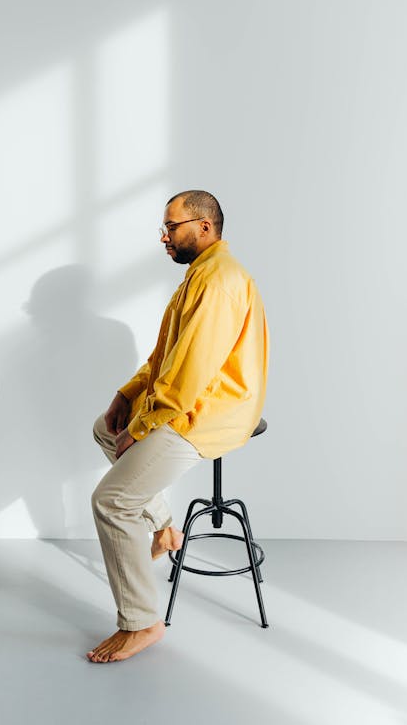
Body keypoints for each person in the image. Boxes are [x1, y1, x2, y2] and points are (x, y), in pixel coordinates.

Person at [87, 190, 269, 663]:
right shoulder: (198, 276)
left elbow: (190, 374)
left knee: (110, 502)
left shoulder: (220, 281)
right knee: (104, 429)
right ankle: (165, 529)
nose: (164, 237)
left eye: (173, 227)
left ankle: (142, 621)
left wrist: (143, 426)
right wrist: (127, 395)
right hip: (189, 401)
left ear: (204, 227)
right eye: (164, 228)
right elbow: (165, 355)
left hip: (212, 414)